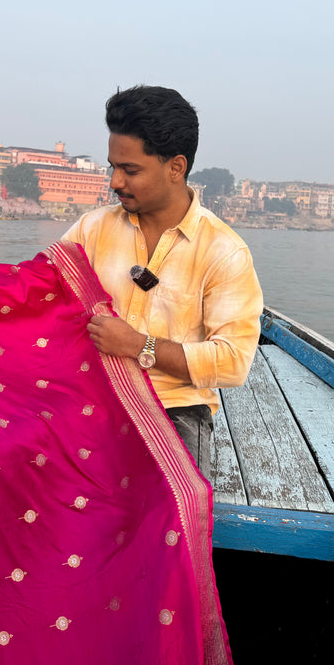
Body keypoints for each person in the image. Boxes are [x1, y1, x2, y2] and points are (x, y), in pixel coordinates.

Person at [63, 85, 264, 479]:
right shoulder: (92, 228)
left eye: (130, 170)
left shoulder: (224, 252)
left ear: (175, 167)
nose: (114, 182)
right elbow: (38, 290)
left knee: (169, 500)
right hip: (90, 391)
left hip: (173, 405)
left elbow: (233, 362)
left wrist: (139, 346)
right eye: (112, 167)